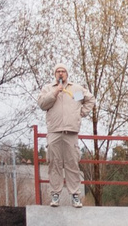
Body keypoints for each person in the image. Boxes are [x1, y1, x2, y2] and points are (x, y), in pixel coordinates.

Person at [35, 68, 95, 207]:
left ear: (67, 74)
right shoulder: (49, 88)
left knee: (72, 163)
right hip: (54, 131)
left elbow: (90, 99)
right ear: (55, 74)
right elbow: (43, 104)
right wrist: (55, 92)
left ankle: (75, 195)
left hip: (71, 131)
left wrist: (80, 113)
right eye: (58, 71)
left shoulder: (75, 90)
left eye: (63, 71)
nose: (60, 73)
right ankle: (55, 194)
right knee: (54, 163)